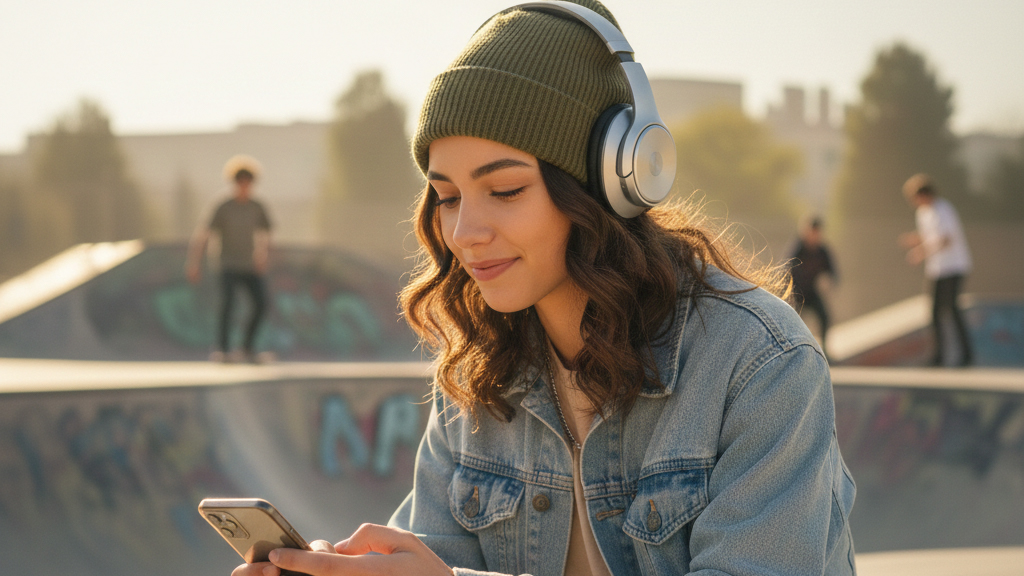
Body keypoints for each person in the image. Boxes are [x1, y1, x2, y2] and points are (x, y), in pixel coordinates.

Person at [231, 1, 856, 575]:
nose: (465, 232)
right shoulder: (479, 379)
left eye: (504, 190)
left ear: (610, 183)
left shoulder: (760, 365)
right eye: (447, 197)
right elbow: (436, 558)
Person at [186, 155, 272, 363]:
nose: (244, 187)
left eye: (247, 183)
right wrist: (194, 262)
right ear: (234, 183)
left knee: (261, 303)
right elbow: (204, 234)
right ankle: (223, 349)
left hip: (249, 264)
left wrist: (262, 255)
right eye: (240, 183)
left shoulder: (256, 206)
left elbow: (266, 233)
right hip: (227, 264)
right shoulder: (223, 207)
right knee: (229, 304)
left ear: (251, 184)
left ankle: (247, 348)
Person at [899, 173, 974, 367]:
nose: (914, 204)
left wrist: (921, 252)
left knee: (948, 309)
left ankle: (961, 356)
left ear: (924, 195)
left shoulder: (944, 209)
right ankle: (942, 356)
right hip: (937, 269)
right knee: (938, 311)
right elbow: (929, 236)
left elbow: (946, 240)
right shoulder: (923, 213)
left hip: (954, 266)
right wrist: (915, 240)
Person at [788, 216, 838, 359]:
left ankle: (825, 350)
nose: (814, 236)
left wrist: (829, 281)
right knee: (793, 320)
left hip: (812, 293)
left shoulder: (822, 251)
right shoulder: (798, 249)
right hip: (797, 293)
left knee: (824, 317)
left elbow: (833, 271)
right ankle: (793, 351)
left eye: (817, 233)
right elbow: (787, 270)